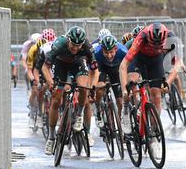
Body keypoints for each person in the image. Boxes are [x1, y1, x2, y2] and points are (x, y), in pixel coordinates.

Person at [41, 26, 99, 155]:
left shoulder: (87, 47)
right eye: (73, 45)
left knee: (84, 87)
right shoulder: (59, 45)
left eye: (78, 45)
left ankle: (79, 115)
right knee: (56, 100)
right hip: (60, 64)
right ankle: (51, 138)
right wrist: (51, 83)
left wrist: (93, 86)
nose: (75, 48)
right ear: (68, 40)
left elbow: (95, 71)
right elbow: (45, 67)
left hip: (77, 63)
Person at [119, 23, 180, 133]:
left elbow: (177, 64)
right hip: (139, 58)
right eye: (153, 44)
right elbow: (123, 65)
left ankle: (154, 129)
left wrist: (168, 82)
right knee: (131, 81)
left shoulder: (171, 38)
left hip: (156, 60)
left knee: (156, 94)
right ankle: (126, 108)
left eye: (159, 45)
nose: (156, 47)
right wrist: (124, 89)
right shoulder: (141, 38)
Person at [93, 35, 127, 130]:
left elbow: (128, 68)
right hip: (102, 69)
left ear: (116, 49)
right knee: (100, 89)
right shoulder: (96, 53)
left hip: (116, 70)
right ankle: (98, 110)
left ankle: (121, 126)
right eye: (106, 52)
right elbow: (94, 72)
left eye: (111, 52)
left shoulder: (123, 51)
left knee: (120, 101)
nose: (109, 55)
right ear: (102, 50)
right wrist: (95, 84)